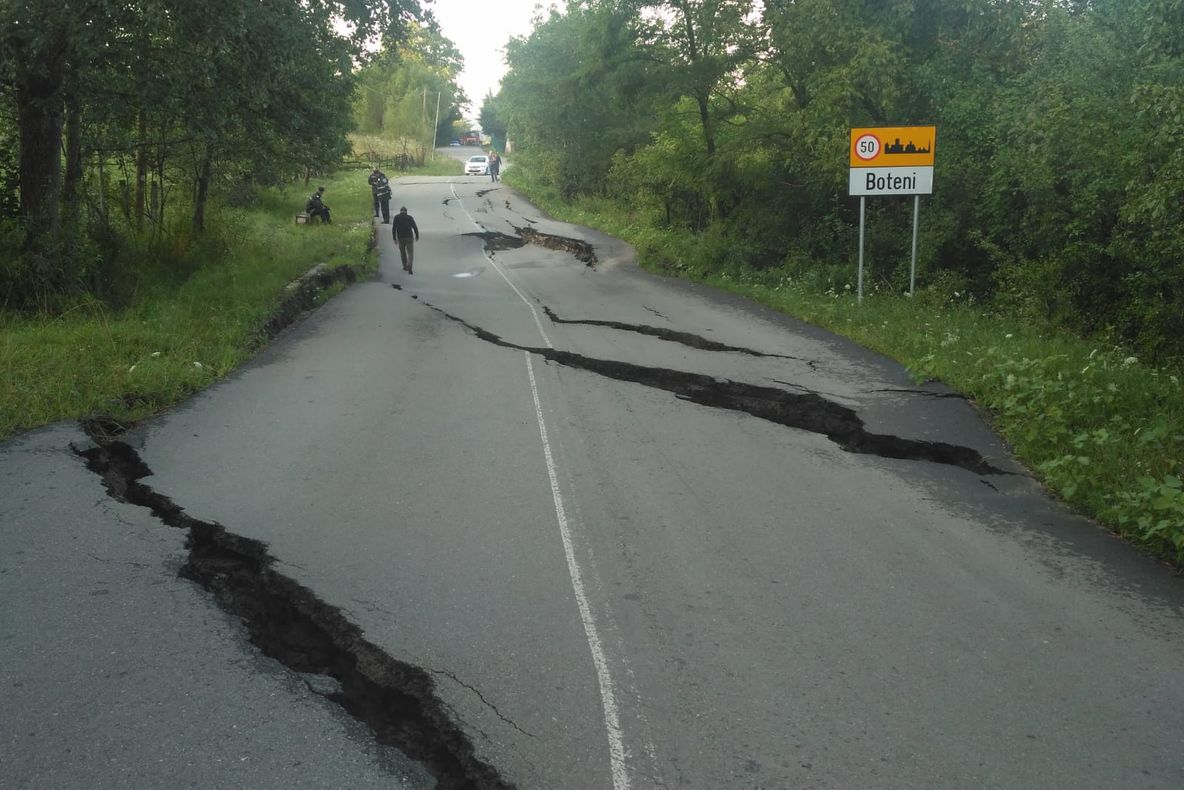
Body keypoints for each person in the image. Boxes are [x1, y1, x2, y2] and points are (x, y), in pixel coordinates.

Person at [391, 206, 419, 273]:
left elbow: (394, 228)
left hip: (401, 238)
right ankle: (410, 265)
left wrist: (394, 238)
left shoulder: (396, 217)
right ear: (406, 212)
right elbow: (415, 227)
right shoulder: (410, 217)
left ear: (400, 211)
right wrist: (417, 236)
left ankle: (405, 266)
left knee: (403, 253)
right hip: (409, 237)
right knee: (410, 253)